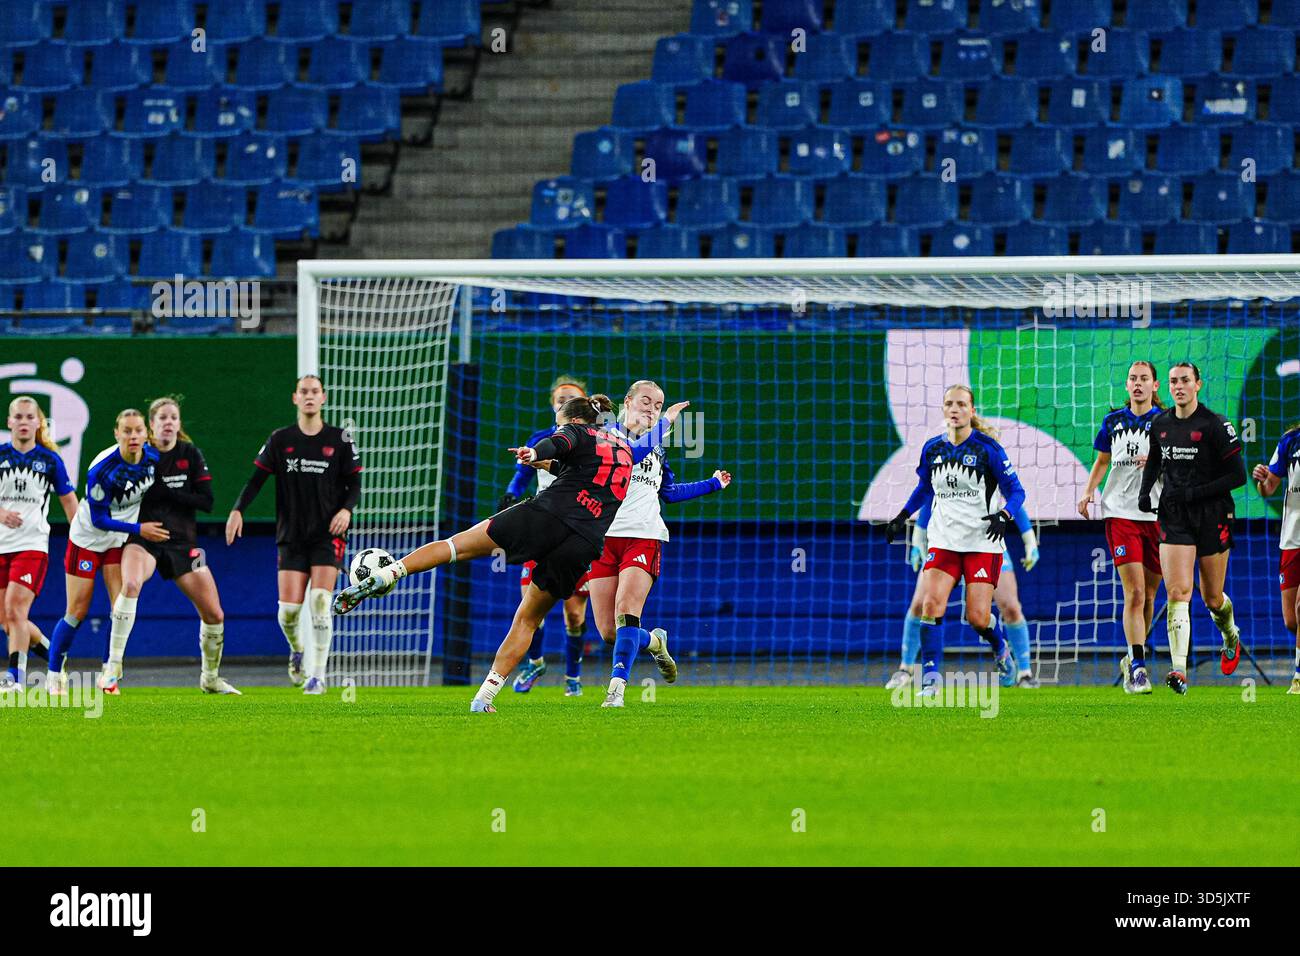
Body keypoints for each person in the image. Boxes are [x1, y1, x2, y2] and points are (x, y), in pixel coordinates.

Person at [333, 394, 690, 714]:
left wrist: (535, 453)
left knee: (457, 546)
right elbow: (605, 459)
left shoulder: (577, 433)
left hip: (547, 516)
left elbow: (559, 442)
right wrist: (667, 422)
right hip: (584, 543)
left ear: (574, 420)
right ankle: (483, 698)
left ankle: (391, 572)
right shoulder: (627, 450)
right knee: (528, 619)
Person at [587, 380, 731, 708]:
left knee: (626, 612)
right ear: (627, 401)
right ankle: (654, 641)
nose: (652, 409)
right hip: (603, 539)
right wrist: (667, 422)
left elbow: (668, 492)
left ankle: (616, 691)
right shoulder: (607, 435)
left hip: (645, 535)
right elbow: (632, 453)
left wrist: (713, 483)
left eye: (657, 405)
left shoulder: (657, 447)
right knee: (609, 632)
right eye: (646, 402)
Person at [883, 385, 1026, 690]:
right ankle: (930, 679)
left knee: (977, 617)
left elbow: (1017, 492)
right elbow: (925, 488)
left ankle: (1000, 647)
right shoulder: (932, 449)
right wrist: (901, 515)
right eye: (949, 403)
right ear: (943, 409)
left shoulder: (988, 449)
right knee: (930, 604)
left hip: (981, 542)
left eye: (961, 404)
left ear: (971, 411)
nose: (955, 409)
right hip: (944, 541)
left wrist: (1005, 516)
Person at [226, 375, 360, 695]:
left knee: (320, 600)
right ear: (295, 398)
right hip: (291, 534)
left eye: (315, 391)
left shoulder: (339, 439)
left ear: (323, 398)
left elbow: (353, 483)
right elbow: (256, 479)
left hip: (328, 534)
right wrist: (237, 509)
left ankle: (318, 676)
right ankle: (297, 649)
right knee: (288, 613)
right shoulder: (280, 439)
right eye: (304, 392)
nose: (310, 396)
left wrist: (347, 510)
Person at [110, 397, 238, 695]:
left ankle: (210, 678)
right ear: (150, 426)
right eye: (162, 418)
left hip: (183, 544)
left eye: (173, 418)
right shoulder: (140, 455)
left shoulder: (190, 455)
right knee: (129, 584)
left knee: (215, 614)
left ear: (179, 425)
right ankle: (112, 667)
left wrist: (168, 492)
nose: (168, 422)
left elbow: (206, 501)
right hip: (145, 538)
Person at [1137, 362, 1246, 695]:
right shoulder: (1160, 423)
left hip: (1212, 515)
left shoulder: (1216, 425)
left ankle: (1230, 635)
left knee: (1212, 598)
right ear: (1167, 387)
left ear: (1198, 384)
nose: (1179, 386)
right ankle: (1179, 670)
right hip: (1174, 516)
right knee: (1178, 593)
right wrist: (1145, 492)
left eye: (1185, 380)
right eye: (1173, 382)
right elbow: (1155, 460)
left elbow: (1237, 476)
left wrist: (1195, 493)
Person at [48, 409, 167, 696]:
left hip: (119, 539)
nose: (133, 436)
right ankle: (54, 674)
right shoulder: (102, 469)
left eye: (138, 430)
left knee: (119, 609)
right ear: (117, 433)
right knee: (77, 611)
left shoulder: (153, 459)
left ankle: (108, 675)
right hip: (88, 539)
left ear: (145, 433)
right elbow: (100, 520)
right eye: (127, 431)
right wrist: (141, 529)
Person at [499, 375, 594, 696]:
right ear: (553, 405)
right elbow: (523, 471)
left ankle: (573, 679)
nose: (564, 402)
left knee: (574, 612)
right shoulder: (541, 438)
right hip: (543, 524)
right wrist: (511, 494)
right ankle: (536, 661)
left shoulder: (597, 441)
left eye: (571, 398)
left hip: (577, 527)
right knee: (530, 603)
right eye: (560, 399)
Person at [887, 498, 1039, 691]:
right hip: (947, 544)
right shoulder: (941, 468)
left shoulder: (991, 468)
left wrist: (1030, 542)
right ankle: (906, 670)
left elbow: (1013, 495)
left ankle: (1024, 674)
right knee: (921, 604)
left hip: (986, 544)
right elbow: (928, 494)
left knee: (1009, 606)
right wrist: (918, 542)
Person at [1078, 360, 1165, 695]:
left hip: (1157, 515)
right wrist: (1088, 492)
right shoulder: (1113, 422)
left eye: (1144, 379)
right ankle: (1140, 669)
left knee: (1151, 596)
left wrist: (1158, 464)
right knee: (1135, 592)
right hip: (1121, 515)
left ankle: (1132, 657)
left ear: (1155, 386)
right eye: (1133, 379)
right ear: (1127, 385)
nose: (1138, 384)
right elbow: (1101, 460)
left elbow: (1181, 465)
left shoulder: (1166, 422)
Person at [0, 396, 78, 691]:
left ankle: (14, 678)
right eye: (17, 417)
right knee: (8, 621)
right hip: (0, 546)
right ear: (9, 422)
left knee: (16, 610)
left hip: (31, 546)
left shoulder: (49, 460)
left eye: (28, 417)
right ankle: (52, 652)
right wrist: (2, 513)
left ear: (38, 422)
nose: (23, 422)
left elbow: (71, 505)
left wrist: (84, 541)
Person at [1251, 428, 1300, 695]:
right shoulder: (1290, 441)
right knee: (1291, 620)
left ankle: (1298, 677)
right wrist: (1261, 479)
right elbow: (1269, 487)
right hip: (1292, 538)